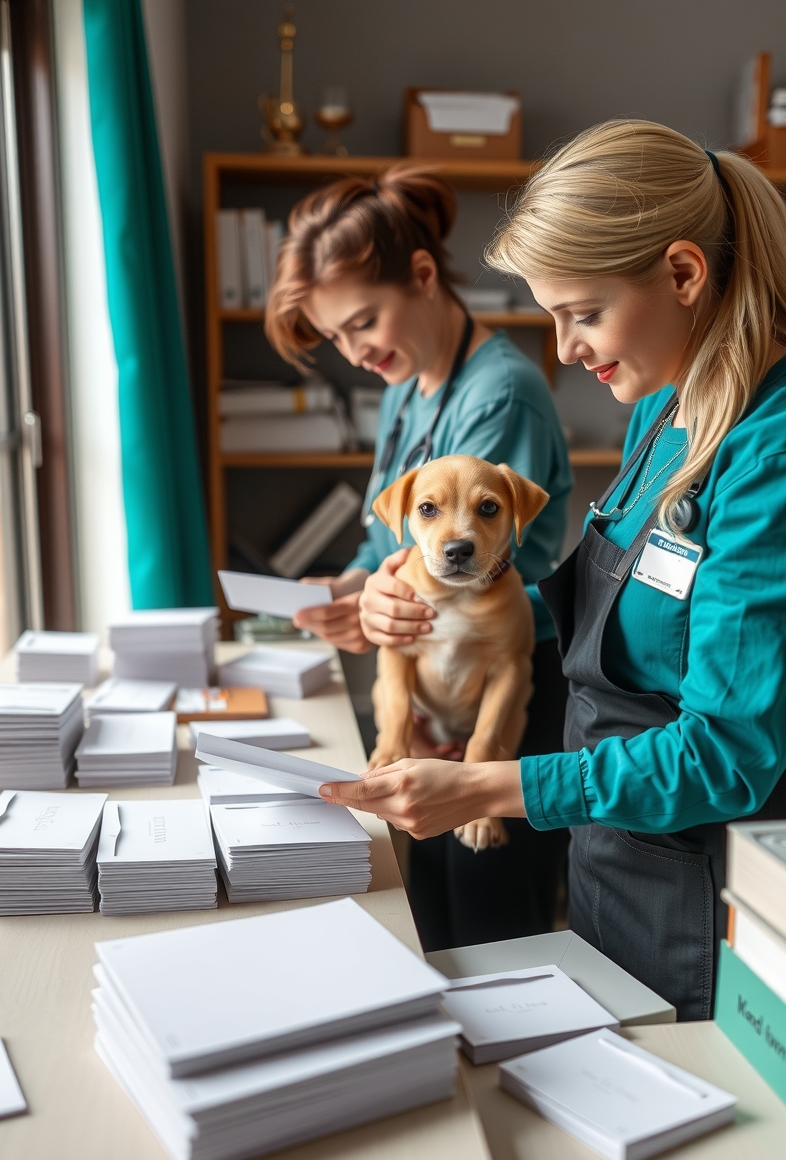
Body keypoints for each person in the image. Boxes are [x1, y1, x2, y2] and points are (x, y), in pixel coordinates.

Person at [317, 120, 786, 1020]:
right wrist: (439, 614)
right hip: (619, 849)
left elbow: (725, 754)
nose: (566, 348)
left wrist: (492, 785)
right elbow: (606, 600)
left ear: (685, 275)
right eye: (552, 316)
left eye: (582, 313)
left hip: (726, 875)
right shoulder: (667, 408)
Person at [265, 165, 573, 950]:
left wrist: (380, 602)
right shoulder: (409, 387)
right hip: (433, 684)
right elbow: (395, 547)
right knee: (430, 907)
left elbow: (466, 574)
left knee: (492, 925)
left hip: (503, 691)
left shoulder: (498, 394)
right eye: (337, 337)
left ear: (425, 276)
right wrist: (349, 586)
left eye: (363, 322)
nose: (355, 351)